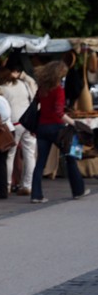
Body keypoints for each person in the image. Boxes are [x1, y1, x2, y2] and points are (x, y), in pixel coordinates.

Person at [30, 60, 90, 203]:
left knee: (40, 162)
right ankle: (78, 190)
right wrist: (74, 123)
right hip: (56, 128)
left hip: (42, 128)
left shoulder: (42, 88)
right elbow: (58, 112)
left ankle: (36, 195)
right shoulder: (58, 90)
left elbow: (37, 103)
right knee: (70, 158)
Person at [0, 63, 37, 196]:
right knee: (29, 155)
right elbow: (31, 98)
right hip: (28, 121)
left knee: (10, 156)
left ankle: (7, 185)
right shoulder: (22, 84)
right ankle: (27, 185)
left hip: (13, 123)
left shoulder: (2, 89)